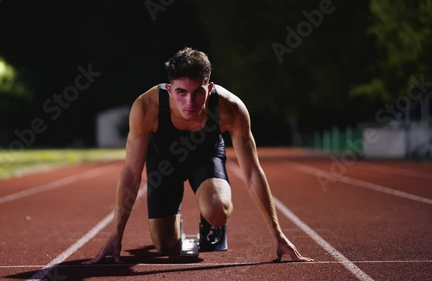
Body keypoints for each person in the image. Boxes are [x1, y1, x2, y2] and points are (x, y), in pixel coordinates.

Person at [84, 47, 313, 264]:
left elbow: (252, 172)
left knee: (218, 210)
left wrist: (278, 234)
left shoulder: (230, 108)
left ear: (210, 88)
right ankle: (175, 225)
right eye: (181, 93)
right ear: (169, 89)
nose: (190, 103)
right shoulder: (146, 107)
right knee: (165, 247)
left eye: (198, 93)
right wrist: (116, 234)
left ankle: (211, 222)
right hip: (164, 163)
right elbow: (132, 173)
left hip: (206, 157)